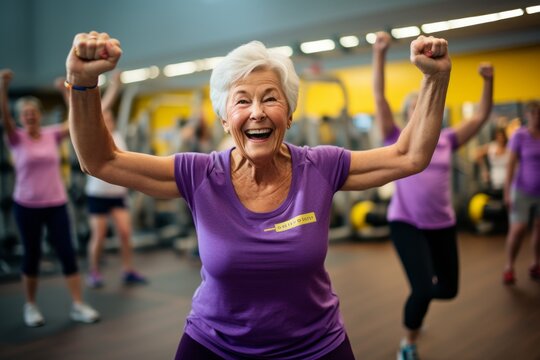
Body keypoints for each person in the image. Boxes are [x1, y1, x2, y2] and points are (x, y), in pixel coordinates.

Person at [65, 30, 450, 359]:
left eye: (270, 98)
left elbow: (409, 155)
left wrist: (434, 79)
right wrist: (82, 84)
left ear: (290, 111)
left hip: (314, 346)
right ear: (223, 116)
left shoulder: (320, 166)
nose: (257, 113)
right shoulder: (198, 174)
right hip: (214, 345)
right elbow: (101, 160)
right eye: (242, 100)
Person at [371, 31, 493, 360]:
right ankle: (408, 344)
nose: (421, 110)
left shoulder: (448, 139)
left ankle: (418, 306)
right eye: (413, 106)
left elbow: (481, 117)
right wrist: (379, 52)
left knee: (448, 290)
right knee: (423, 289)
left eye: (424, 104)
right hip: (406, 222)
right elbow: (379, 97)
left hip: (441, 223)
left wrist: (488, 81)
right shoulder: (396, 137)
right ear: (409, 113)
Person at [0, 69, 99, 327]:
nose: (30, 116)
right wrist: (2, 88)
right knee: (31, 255)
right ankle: (30, 306)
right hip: (27, 205)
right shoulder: (15, 138)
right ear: (21, 118)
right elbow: (5, 117)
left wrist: (65, 92)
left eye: (33, 113)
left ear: (39, 115)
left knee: (67, 253)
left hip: (56, 203)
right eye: (25, 114)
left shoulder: (51, 134)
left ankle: (78, 304)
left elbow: (75, 119)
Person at [59, 72, 147, 288]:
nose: (108, 119)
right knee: (98, 237)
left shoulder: (119, 137)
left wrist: (116, 85)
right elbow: (79, 113)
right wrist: (65, 93)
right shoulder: (99, 137)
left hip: (117, 195)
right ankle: (94, 272)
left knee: (126, 234)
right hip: (97, 195)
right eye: (104, 117)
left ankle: (127, 270)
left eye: (110, 117)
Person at [502, 100, 540, 285]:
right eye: (533, 113)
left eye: (539, 113)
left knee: (539, 231)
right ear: (527, 115)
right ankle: (509, 266)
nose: (536, 116)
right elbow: (510, 165)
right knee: (518, 229)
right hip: (522, 190)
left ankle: (536, 263)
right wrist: (506, 192)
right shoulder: (520, 135)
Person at [475, 127, 509, 196]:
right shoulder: (492, 147)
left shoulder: (509, 148)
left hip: (507, 183)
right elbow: (478, 153)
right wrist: (484, 170)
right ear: (496, 137)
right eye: (498, 136)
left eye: (502, 136)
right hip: (494, 182)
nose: (501, 139)